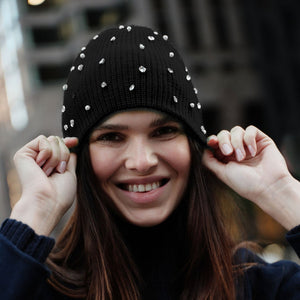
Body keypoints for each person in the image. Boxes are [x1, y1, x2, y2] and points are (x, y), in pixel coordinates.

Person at [1, 25, 300, 300]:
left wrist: (281, 191)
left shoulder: (259, 287)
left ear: (193, 144)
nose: (142, 161)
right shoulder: (40, 289)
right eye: (113, 137)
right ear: (79, 156)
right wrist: (36, 209)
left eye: (164, 131)